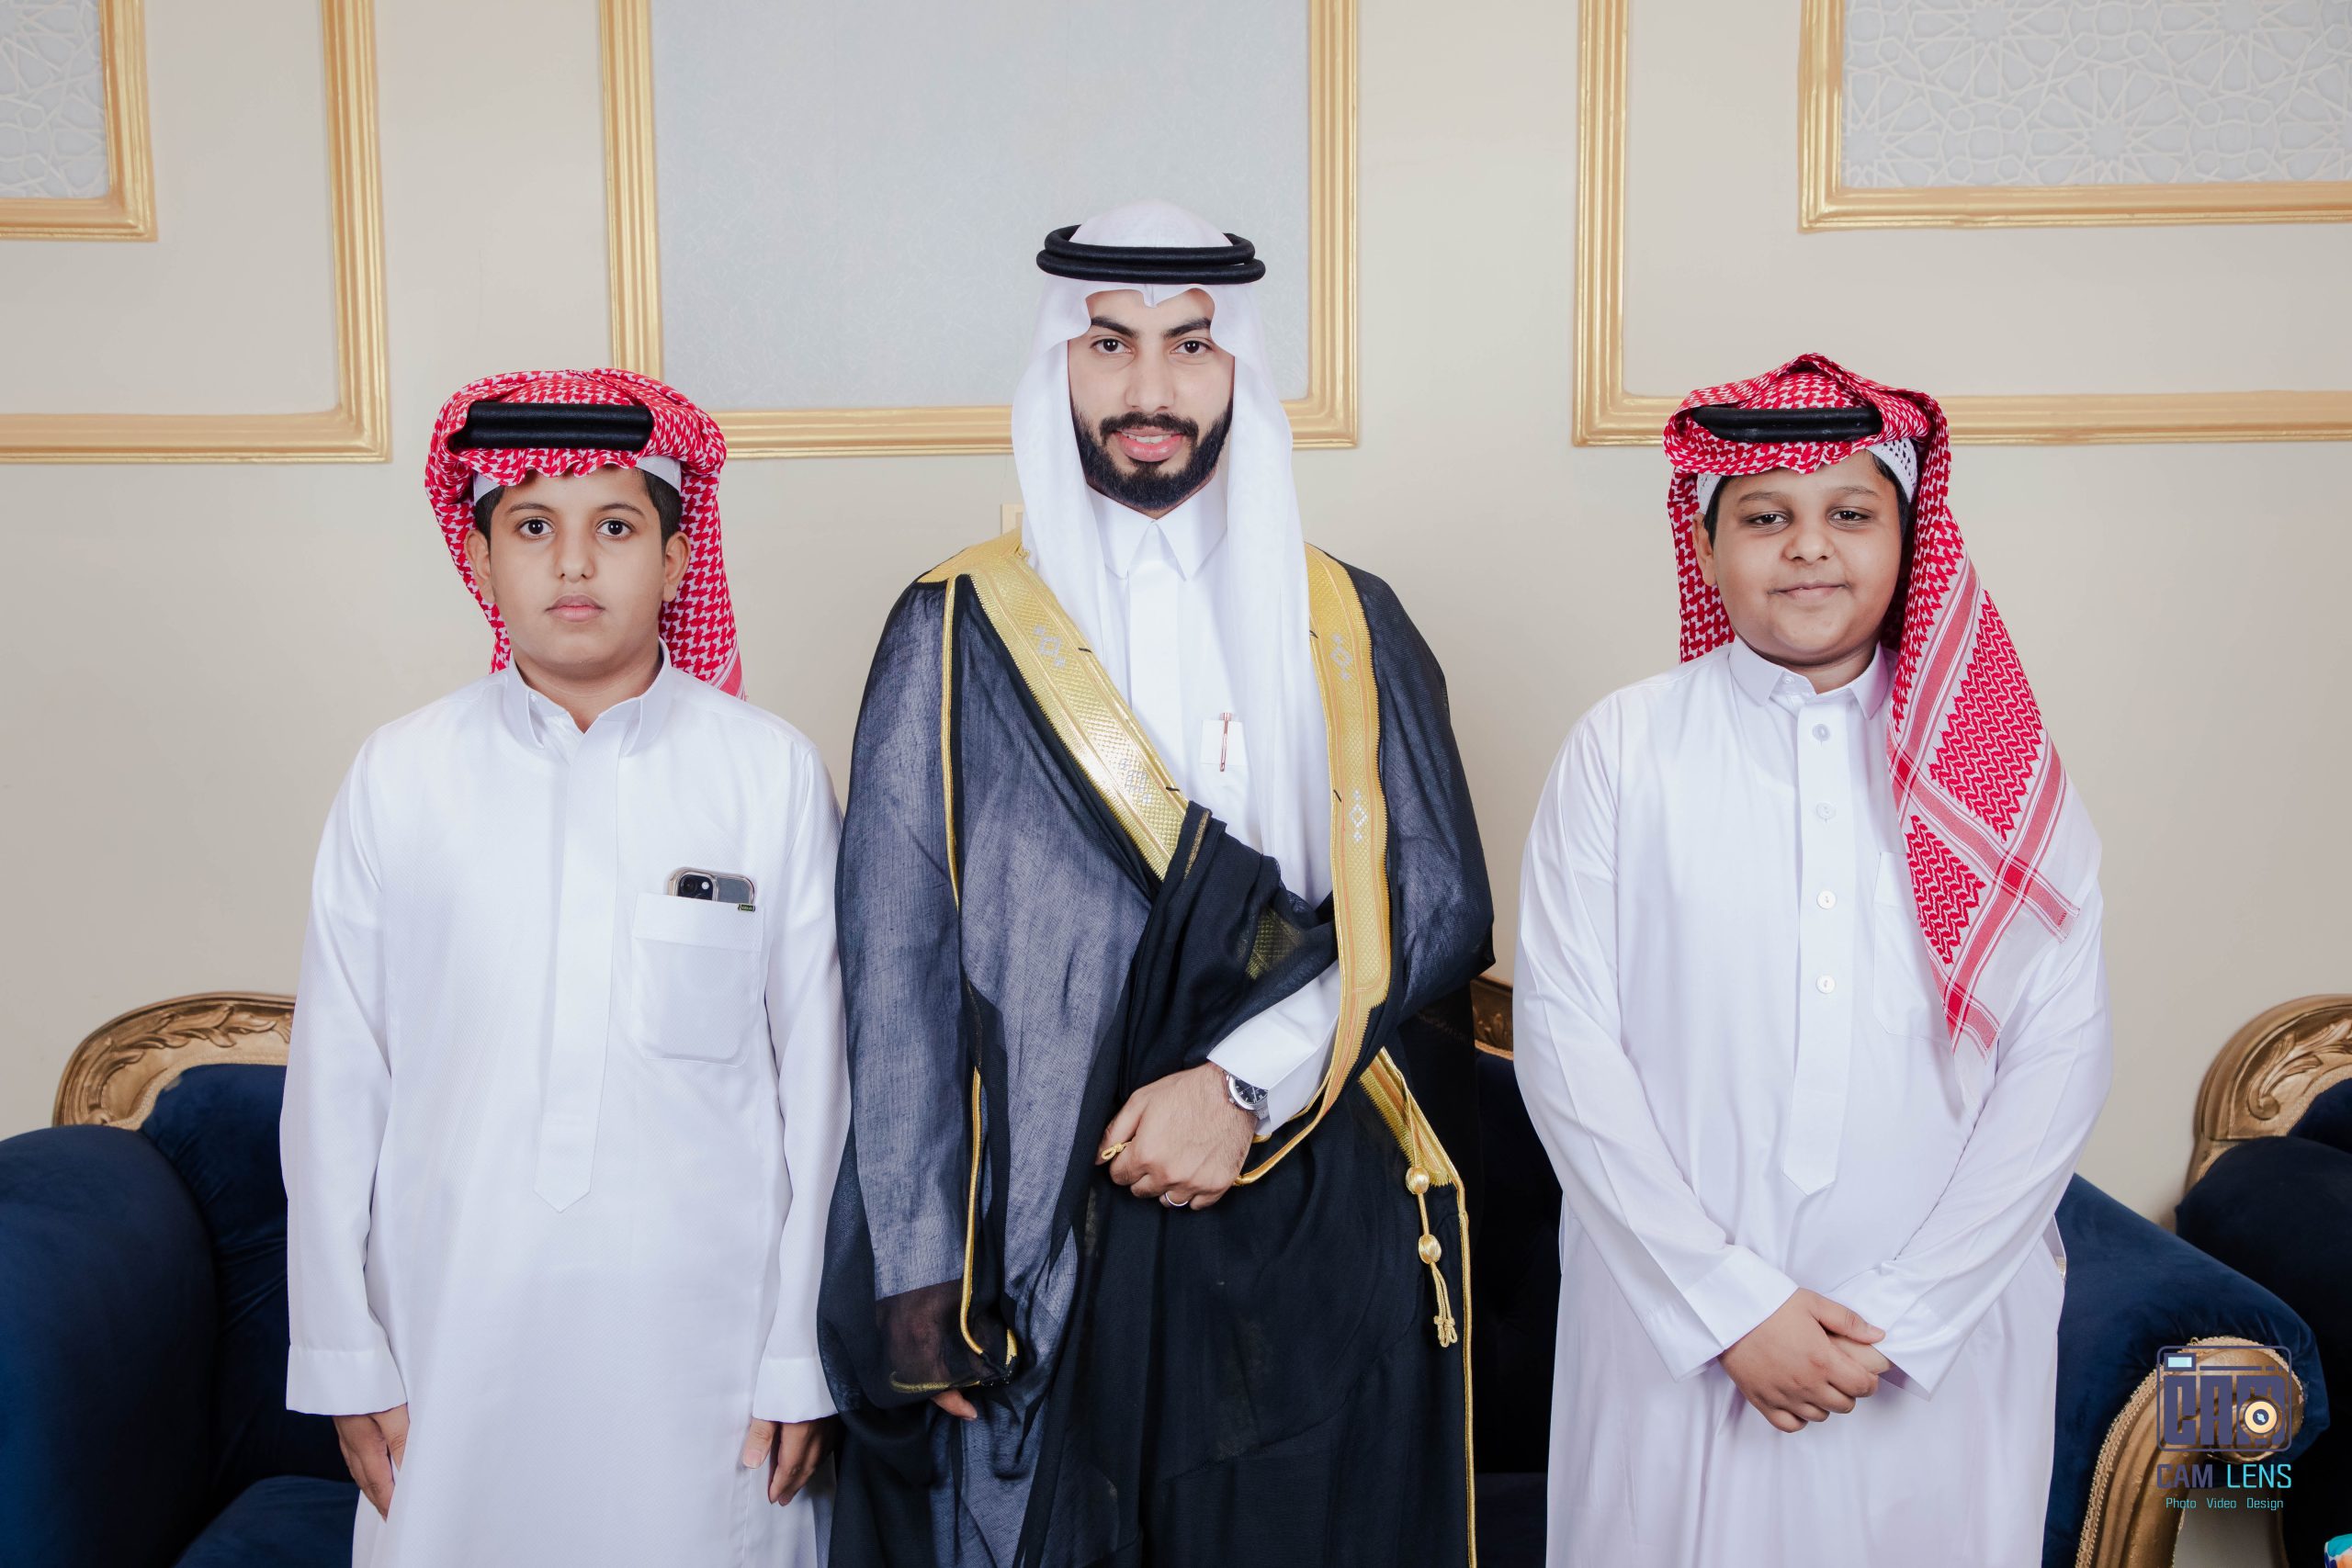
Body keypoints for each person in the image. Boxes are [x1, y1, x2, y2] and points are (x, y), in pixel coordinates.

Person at [818, 202, 1493, 1567]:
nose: (1149, 390)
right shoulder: (956, 625)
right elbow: (897, 969)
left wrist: (1238, 1085)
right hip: (1039, 1236)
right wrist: (924, 1287)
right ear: (1054, 366)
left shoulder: (1348, 621)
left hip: (1304, 1199)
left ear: (1240, 365)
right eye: (1107, 344)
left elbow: (1430, 904)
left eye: (1191, 346)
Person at [1513, 355, 2111, 1565]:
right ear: (1706, 543)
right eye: (1764, 517)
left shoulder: (1996, 772)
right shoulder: (1626, 749)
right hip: (1676, 1326)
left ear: (1908, 537)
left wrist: (1905, 1315)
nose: (1808, 548)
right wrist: (1730, 1309)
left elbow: (2061, 1060)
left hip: (1933, 1341)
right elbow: (1567, 1047)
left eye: (1849, 512)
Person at [281, 369, 850, 1566]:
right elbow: (336, 1085)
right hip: (452, 1329)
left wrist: (802, 1352)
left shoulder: (769, 775)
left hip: (710, 1351)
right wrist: (342, 1350)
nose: (574, 563)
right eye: (533, 526)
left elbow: (822, 1094)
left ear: (679, 561)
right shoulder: (400, 775)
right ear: (479, 558)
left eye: (617, 528)